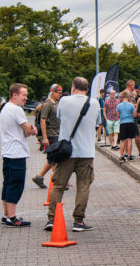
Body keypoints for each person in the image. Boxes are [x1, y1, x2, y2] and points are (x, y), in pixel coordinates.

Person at [45, 77, 100, 232]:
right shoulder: (94, 103)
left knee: (59, 186)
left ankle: (52, 219)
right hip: (86, 152)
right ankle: (78, 221)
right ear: (87, 89)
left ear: (73, 87)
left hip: (66, 152)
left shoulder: (64, 101)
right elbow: (97, 122)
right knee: (83, 186)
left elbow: (58, 117)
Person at [0, 83, 37, 227]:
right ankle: (12, 217)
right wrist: (32, 130)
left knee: (8, 183)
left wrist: (28, 129)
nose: (26, 98)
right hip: (17, 153)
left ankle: (6, 214)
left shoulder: (5, 108)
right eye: (24, 95)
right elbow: (27, 130)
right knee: (16, 184)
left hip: (7, 152)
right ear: (14, 95)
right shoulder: (16, 110)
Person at [32, 84, 62, 189]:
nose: (60, 94)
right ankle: (58, 181)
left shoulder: (57, 103)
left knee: (51, 158)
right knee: (54, 158)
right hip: (50, 135)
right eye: (59, 92)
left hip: (57, 133)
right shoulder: (47, 104)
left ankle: (39, 177)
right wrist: (44, 138)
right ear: (53, 92)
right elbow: (42, 120)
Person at [116, 90, 138, 162]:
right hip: (130, 122)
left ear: (122, 97)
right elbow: (135, 115)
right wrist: (130, 115)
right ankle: (129, 155)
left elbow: (118, 115)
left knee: (122, 140)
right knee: (129, 140)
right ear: (128, 97)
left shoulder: (119, 105)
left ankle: (121, 156)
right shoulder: (131, 105)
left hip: (122, 123)